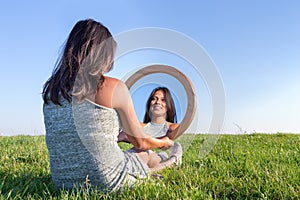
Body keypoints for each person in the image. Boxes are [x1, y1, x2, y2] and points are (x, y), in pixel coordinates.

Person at [42, 19, 180, 192]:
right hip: (108, 180)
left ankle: (158, 162)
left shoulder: (51, 91)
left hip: (63, 182)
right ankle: (169, 162)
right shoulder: (113, 87)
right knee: (144, 155)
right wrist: (163, 142)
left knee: (130, 155)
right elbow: (141, 142)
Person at [118, 87, 182, 167]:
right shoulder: (139, 125)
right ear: (149, 104)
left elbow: (172, 143)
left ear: (168, 106)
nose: (157, 102)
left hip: (155, 158)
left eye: (163, 100)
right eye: (154, 99)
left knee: (155, 153)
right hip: (135, 156)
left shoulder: (173, 127)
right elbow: (117, 137)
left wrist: (140, 139)